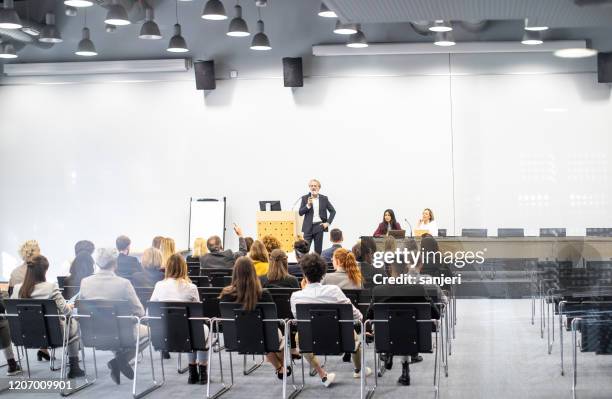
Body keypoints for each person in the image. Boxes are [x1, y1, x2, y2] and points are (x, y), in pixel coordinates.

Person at [290, 254, 371, 387]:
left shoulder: (296, 296)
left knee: (301, 336)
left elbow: (299, 319)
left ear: (304, 273)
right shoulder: (334, 291)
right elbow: (357, 316)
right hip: (340, 338)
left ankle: (322, 374)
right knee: (354, 338)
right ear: (323, 272)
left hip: (310, 340)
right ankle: (359, 370)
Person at [366, 258, 439, 386]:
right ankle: (405, 370)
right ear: (406, 270)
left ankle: (389, 352)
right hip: (414, 340)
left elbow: (369, 316)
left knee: (390, 324)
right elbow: (436, 314)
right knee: (407, 325)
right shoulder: (418, 289)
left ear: (388, 270)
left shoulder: (378, 291)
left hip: (385, 339)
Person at [80, 248, 147, 385]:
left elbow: (81, 308)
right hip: (121, 332)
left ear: (97, 263)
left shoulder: (85, 282)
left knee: (111, 327)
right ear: (115, 263)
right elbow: (140, 312)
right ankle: (118, 362)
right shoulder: (123, 283)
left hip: (93, 332)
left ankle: (118, 359)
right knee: (152, 332)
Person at [11, 255, 85, 378]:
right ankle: (74, 367)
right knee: (74, 323)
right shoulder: (51, 287)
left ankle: (45, 351)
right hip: (54, 334)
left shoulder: (18, 289)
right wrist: (70, 306)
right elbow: (66, 312)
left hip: (25, 334)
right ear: (44, 271)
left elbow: (13, 312)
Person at [219, 257, 290, 380]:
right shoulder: (264, 294)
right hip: (264, 339)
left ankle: (279, 368)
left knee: (266, 334)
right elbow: (272, 322)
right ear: (253, 272)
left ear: (234, 273)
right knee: (274, 334)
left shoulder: (225, 294)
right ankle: (282, 366)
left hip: (235, 338)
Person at [150, 254, 209, 384]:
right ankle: (202, 372)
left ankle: (192, 372)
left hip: (165, 334)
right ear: (184, 268)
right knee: (201, 329)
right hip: (187, 333)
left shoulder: (159, 285)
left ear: (168, 268)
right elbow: (197, 314)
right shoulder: (191, 287)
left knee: (193, 328)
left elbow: (151, 310)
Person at [298, 179, 336, 255]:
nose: (313, 187)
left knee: (318, 251)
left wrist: (327, 223)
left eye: (315, 186)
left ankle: (317, 266)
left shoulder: (324, 198)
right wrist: (308, 205)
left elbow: (333, 211)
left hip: (319, 226)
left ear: (319, 187)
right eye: (311, 186)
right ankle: (304, 266)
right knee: (305, 250)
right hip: (308, 227)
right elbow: (300, 213)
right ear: (309, 187)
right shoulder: (305, 198)